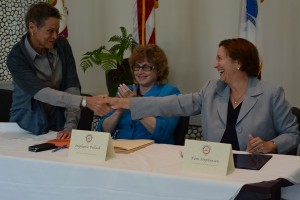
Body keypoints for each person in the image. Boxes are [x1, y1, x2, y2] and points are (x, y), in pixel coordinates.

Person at [104, 38, 300, 154]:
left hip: (255, 176)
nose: (215, 64)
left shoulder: (271, 94)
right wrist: (127, 103)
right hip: (211, 167)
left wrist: (270, 145)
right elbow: (175, 104)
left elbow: (292, 134)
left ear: (238, 63)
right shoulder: (212, 89)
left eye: (220, 58)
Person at [6, 2, 111, 138]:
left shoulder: (62, 45)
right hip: (25, 127)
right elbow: (41, 93)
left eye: (57, 30)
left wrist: (70, 127)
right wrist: (84, 101)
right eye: (50, 31)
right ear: (32, 27)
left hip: (58, 123)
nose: (55, 36)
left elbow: (71, 86)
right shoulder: (16, 58)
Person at [97, 44, 181, 144]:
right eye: (137, 67)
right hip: (121, 150)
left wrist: (134, 104)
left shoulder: (170, 93)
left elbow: (163, 133)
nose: (140, 71)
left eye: (146, 67)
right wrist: (119, 110)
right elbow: (103, 131)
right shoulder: (125, 90)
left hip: (153, 153)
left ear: (158, 69)